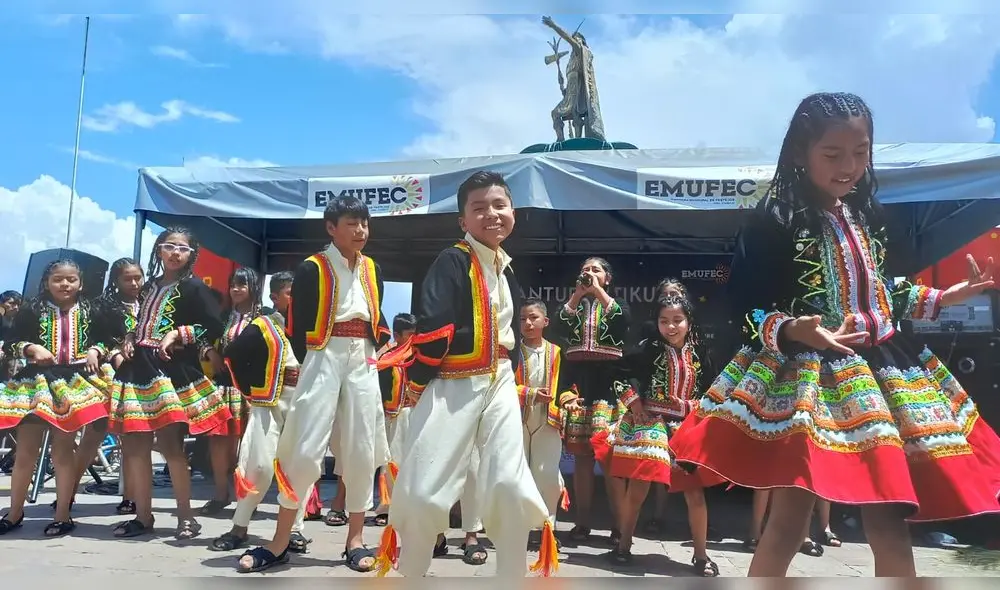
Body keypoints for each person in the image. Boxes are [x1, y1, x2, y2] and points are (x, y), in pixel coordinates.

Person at [668, 91, 1000, 577]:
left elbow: (881, 291)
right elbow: (740, 307)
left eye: (860, 153)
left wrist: (944, 297)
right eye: (832, 154)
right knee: (790, 515)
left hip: (883, 371)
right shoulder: (773, 221)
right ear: (800, 153)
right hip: (811, 379)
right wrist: (791, 328)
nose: (849, 166)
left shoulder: (868, 217)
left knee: (888, 513)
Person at [373, 171, 556, 578]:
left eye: (499, 205)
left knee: (509, 486)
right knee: (423, 491)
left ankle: (511, 578)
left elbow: (510, 340)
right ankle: (413, 576)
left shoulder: (506, 268)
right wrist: (418, 384)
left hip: (500, 385)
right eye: (479, 208)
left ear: (513, 212)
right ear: (463, 221)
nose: (491, 214)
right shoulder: (452, 259)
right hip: (452, 386)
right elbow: (435, 328)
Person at [236, 195, 391, 574]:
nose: (360, 231)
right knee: (303, 450)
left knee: (360, 448)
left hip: (363, 358)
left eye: (364, 223)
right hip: (323, 354)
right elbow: (299, 326)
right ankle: (280, 539)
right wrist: (318, 362)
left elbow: (377, 317)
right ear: (331, 228)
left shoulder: (372, 268)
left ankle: (355, 539)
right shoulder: (311, 268)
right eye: (351, 223)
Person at [107, 226, 229, 539]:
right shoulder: (148, 287)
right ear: (159, 249)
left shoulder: (194, 288)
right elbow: (139, 323)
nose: (175, 253)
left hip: (168, 371)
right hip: (136, 371)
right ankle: (143, 516)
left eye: (183, 248)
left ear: (192, 254)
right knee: (134, 447)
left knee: (170, 446)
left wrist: (179, 334)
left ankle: (186, 517)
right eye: (169, 246)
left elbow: (215, 325)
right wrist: (130, 338)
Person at [592, 294, 722, 575]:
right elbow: (618, 374)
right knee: (638, 487)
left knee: (694, 492)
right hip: (653, 422)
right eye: (664, 321)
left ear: (689, 322)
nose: (671, 327)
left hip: (686, 426)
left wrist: (703, 415)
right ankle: (623, 546)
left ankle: (701, 556)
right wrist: (634, 401)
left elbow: (714, 388)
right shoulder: (648, 349)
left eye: (677, 321)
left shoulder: (702, 353)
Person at [0, 260, 119, 536]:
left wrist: (95, 350)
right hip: (36, 383)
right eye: (58, 279)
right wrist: (31, 347)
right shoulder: (31, 309)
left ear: (81, 283)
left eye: (71, 280)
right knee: (25, 452)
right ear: (47, 282)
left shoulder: (92, 310)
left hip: (73, 382)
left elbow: (107, 339)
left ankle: (63, 514)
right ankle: (15, 511)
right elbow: (12, 342)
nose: (65, 284)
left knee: (62, 451)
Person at [209, 271, 314, 555]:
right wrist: (253, 389)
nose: (296, 299)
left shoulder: (316, 327)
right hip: (268, 405)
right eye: (290, 293)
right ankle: (239, 526)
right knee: (258, 466)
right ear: (275, 297)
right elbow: (233, 355)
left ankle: (294, 531)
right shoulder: (265, 325)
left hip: (305, 406)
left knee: (299, 468)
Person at [551, 256, 631, 546]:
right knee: (582, 460)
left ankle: (621, 527)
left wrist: (598, 292)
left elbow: (623, 322)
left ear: (607, 277)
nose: (589, 273)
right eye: (584, 270)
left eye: (595, 270)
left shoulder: (616, 305)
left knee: (610, 461)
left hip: (609, 391)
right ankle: (582, 522)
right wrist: (577, 294)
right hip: (581, 390)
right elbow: (557, 325)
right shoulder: (572, 308)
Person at [68, 258, 144, 516]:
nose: (134, 283)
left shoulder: (149, 303)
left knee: (132, 437)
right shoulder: (100, 306)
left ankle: (130, 497)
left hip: (142, 375)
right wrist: (111, 352)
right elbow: (93, 338)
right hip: (109, 376)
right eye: (127, 278)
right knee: (94, 434)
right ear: (115, 281)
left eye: (138, 277)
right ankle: (68, 493)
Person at [200, 267, 263, 516]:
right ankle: (220, 494)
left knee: (247, 447)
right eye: (233, 285)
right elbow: (201, 338)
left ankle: (245, 498)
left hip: (253, 390)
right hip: (223, 387)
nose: (236, 290)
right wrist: (210, 353)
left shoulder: (264, 318)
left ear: (253, 288)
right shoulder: (223, 316)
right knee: (218, 442)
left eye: (242, 285)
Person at [516, 298, 576, 546]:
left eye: (533, 318)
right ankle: (517, 527)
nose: (527, 323)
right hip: (517, 419)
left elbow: (566, 387)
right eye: (522, 319)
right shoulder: (510, 352)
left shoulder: (558, 352)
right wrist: (529, 394)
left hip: (548, 420)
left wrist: (569, 400)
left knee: (547, 475)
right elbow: (502, 384)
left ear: (545, 321)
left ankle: (547, 528)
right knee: (517, 474)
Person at [374, 312, 416, 527]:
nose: (413, 339)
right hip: (392, 415)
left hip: (415, 413)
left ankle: (410, 507)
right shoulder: (385, 357)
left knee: (414, 463)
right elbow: (379, 389)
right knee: (391, 461)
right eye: (409, 335)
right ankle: (387, 507)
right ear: (397, 335)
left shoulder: (418, 354)